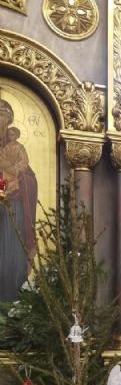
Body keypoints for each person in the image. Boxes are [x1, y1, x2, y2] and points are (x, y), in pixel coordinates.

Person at [0, 125, 38, 302]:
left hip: (16, 204)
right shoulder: (5, 149)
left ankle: (15, 285)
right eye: (9, 134)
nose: (11, 136)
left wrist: (14, 169)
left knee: (15, 242)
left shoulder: (20, 148)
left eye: (13, 134)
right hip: (4, 199)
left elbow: (24, 165)